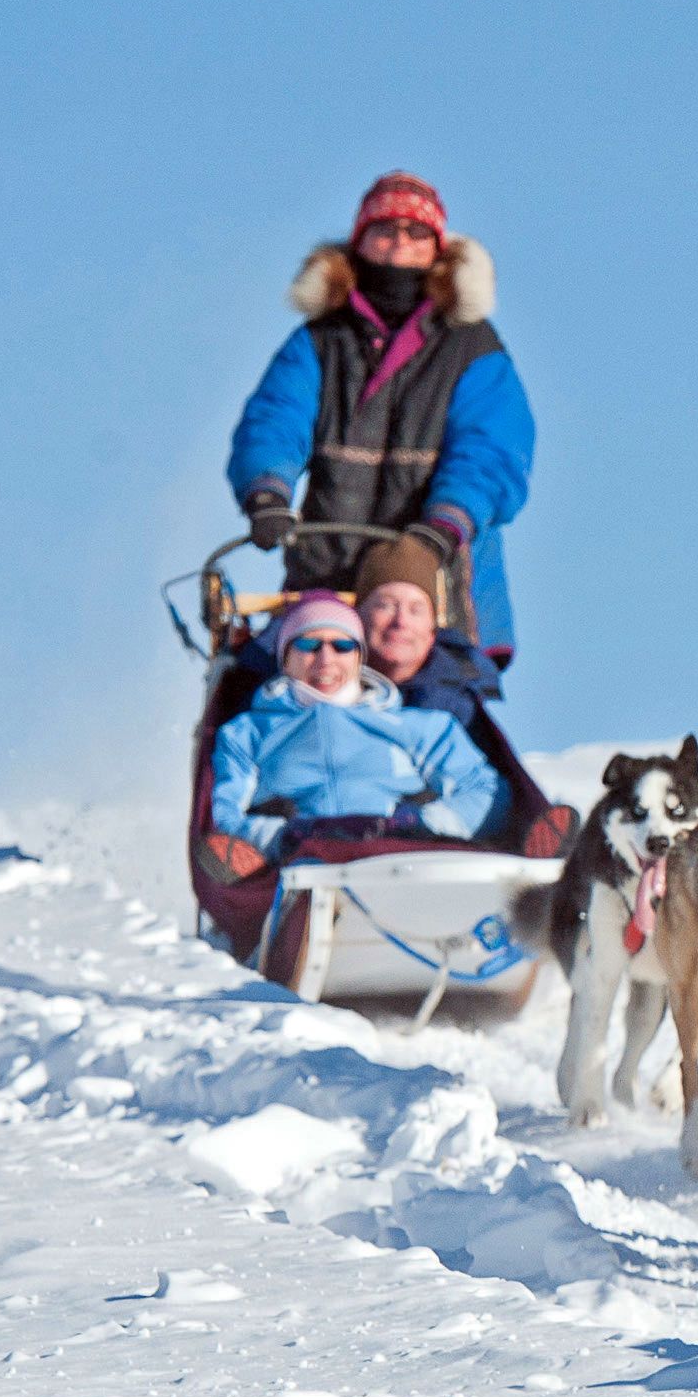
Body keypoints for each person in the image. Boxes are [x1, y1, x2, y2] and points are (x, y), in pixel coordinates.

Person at [225, 172, 537, 669]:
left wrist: (445, 525)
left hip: (439, 579)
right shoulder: (321, 340)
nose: (398, 244)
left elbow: (492, 450)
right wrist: (268, 493)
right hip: (329, 572)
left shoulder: (472, 347)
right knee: (277, 690)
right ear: (360, 241)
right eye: (384, 230)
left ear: (437, 249)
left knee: (441, 706)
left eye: (415, 233)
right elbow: (276, 419)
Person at [197, 595, 508, 884]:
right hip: (297, 868)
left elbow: (486, 793)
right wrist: (279, 836)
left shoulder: (420, 726)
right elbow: (221, 815)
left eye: (342, 646)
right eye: (308, 644)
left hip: (402, 859)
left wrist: (423, 823)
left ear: (359, 658)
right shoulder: (246, 733)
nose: (326, 658)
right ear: (285, 658)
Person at [350, 537, 502, 722]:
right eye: (385, 606)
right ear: (357, 617)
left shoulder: (464, 715)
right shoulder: (318, 693)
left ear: (432, 630)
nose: (401, 621)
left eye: (416, 610)